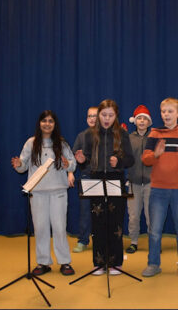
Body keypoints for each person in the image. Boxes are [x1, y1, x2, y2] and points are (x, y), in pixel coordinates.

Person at [11, 110, 77, 277]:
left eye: (50, 121)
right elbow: (23, 166)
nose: (47, 124)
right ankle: (43, 262)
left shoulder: (61, 143)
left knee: (59, 227)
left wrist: (67, 164)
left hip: (58, 191)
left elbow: (73, 164)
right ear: (39, 123)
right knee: (40, 228)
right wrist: (18, 164)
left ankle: (64, 262)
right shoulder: (31, 143)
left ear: (55, 124)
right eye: (44, 121)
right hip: (38, 193)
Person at [141, 98, 178, 278]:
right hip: (158, 189)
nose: (166, 114)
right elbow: (145, 159)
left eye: (170, 111)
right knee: (154, 231)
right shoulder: (154, 134)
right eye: (163, 111)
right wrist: (156, 154)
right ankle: (153, 264)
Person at [77, 99, 134, 275]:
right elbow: (86, 159)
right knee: (98, 224)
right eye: (103, 115)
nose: (107, 119)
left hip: (115, 179)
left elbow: (130, 159)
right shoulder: (89, 134)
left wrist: (119, 162)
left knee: (115, 223)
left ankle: (116, 262)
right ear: (98, 115)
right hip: (96, 179)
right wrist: (82, 160)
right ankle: (99, 262)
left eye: (110, 115)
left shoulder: (122, 134)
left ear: (116, 116)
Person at [125, 105, 154, 254]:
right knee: (134, 215)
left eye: (145, 119)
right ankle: (134, 242)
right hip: (133, 182)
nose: (142, 121)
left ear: (149, 122)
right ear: (135, 121)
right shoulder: (128, 139)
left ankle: (153, 242)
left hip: (151, 183)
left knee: (151, 215)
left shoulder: (154, 138)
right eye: (139, 118)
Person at [71, 106, 99, 253]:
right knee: (85, 211)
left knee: (102, 211)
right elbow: (73, 157)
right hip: (86, 177)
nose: (92, 119)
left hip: (103, 177)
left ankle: (101, 239)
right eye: (89, 116)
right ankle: (83, 240)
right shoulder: (81, 136)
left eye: (95, 116)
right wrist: (79, 160)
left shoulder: (107, 136)